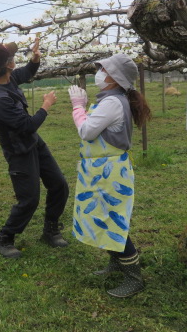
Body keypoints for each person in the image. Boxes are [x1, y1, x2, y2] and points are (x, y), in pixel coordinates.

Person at [67, 53, 151, 298]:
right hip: (100, 171)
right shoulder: (110, 99)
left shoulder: (112, 102)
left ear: (115, 78)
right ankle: (116, 262)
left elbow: (86, 131)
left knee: (114, 222)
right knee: (105, 217)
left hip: (109, 172)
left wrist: (77, 106)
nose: (99, 73)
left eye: (103, 69)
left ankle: (134, 278)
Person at [0, 37, 70, 259]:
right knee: (29, 199)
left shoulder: (7, 79)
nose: (15, 60)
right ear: (7, 64)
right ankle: (4, 238)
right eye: (12, 57)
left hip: (33, 142)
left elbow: (25, 74)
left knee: (59, 185)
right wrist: (46, 105)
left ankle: (50, 230)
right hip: (18, 150)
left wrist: (35, 60)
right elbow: (26, 125)